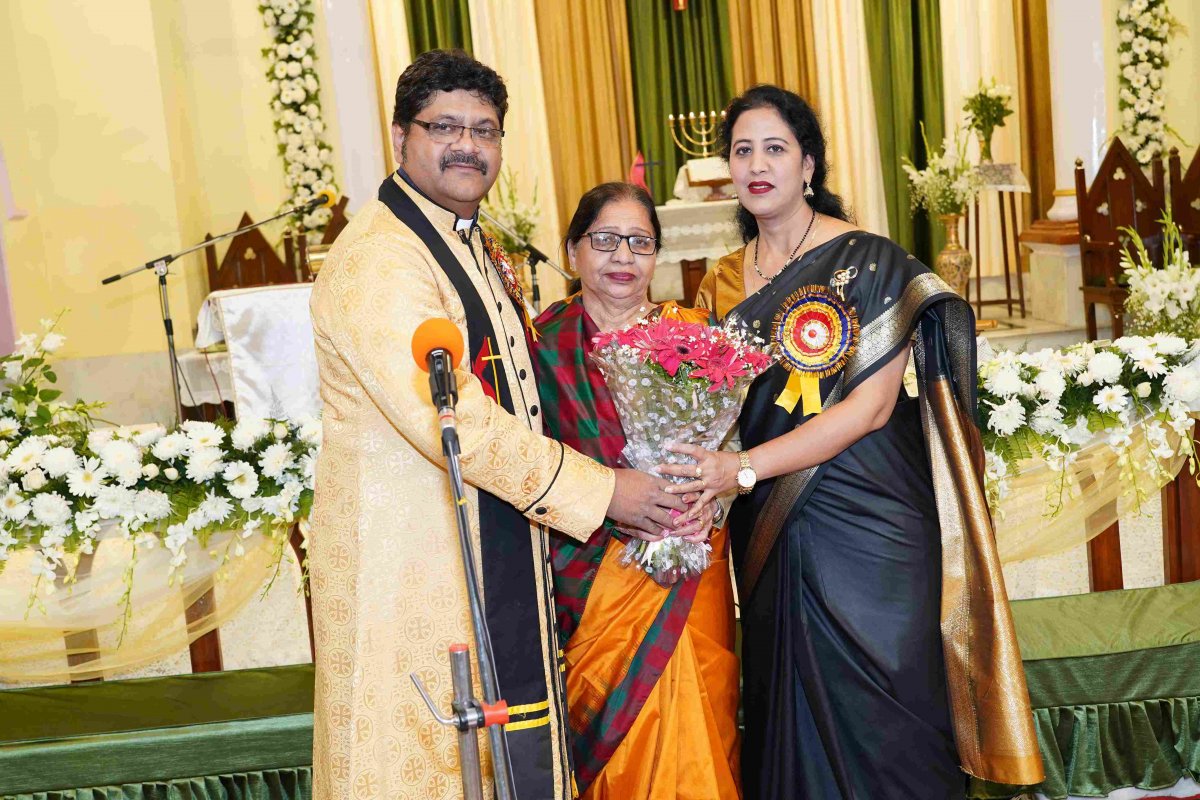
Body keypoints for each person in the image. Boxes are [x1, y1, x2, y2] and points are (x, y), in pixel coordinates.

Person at [308, 51, 693, 800]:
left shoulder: (462, 240)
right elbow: (454, 421)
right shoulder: (382, 259)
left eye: (484, 131)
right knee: (419, 761)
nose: (467, 146)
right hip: (409, 565)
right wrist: (604, 491)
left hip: (485, 545)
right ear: (400, 137)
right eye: (444, 127)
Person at [659, 85, 1045, 798]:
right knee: (790, 702)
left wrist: (740, 468)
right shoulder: (719, 282)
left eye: (775, 148)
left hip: (871, 514)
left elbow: (871, 408)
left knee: (891, 704)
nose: (757, 165)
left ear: (808, 164)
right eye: (742, 151)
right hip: (770, 522)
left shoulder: (870, 260)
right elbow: (717, 409)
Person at [531, 182, 741, 799]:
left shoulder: (696, 337)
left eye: (640, 243)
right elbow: (524, 464)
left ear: (657, 255)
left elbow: (732, 447)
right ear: (572, 251)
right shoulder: (538, 346)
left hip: (691, 567)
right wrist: (608, 501)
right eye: (605, 240)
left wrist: (709, 503)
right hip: (589, 575)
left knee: (700, 732)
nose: (623, 256)